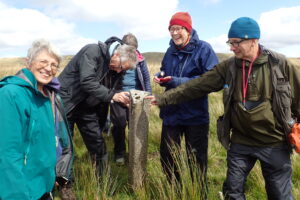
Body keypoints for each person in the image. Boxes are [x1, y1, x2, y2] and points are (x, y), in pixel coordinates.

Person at [150, 17, 300, 199]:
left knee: (280, 195)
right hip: (240, 141)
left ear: (254, 40)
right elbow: (197, 85)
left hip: (274, 142)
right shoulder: (229, 67)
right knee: (232, 192)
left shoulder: (280, 64)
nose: (231, 47)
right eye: (230, 42)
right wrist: (163, 99)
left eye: (236, 42)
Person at [153, 11, 218, 193]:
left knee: (196, 160)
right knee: (167, 157)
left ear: (188, 30)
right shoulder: (170, 51)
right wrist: (161, 76)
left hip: (195, 115)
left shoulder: (204, 49)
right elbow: (165, 70)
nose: (174, 33)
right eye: (171, 29)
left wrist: (176, 81)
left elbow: (210, 80)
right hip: (171, 113)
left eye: (179, 29)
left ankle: (198, 192)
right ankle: (175, 190)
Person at [58, 37, 138, 174]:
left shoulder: (117, 68)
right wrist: (113, 95)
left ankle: (103, 181)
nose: (119, 71)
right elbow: (87, 81)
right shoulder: (92, 51)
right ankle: (65, 184)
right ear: (116, 54)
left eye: (122, 70)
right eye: (120, 67)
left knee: (98, 144)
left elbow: (114, 89)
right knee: (65, 146)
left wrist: (122, 97)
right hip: (68, 103)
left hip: (88, 108)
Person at [0, 39, 63, 200]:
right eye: (43, 61)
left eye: (54, 64)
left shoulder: (50, 96)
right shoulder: (10, 94)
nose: (48, 68)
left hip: (44, 186)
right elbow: (8, 153)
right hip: (22, 190)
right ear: (29, 62)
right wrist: (16, 195)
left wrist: (51, 175)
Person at [110, 33, 152, 165]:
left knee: (135, 125)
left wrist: (148, 95)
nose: (131, 53)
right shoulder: (115, 59)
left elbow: (145, 78)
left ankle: (135, 153)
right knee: (119, 124)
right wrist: (112, 94)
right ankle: (119, 153)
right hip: (118, 95)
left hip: (136, 96)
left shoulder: (140, 60)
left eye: (133, 50)